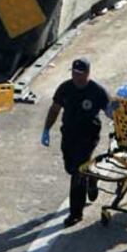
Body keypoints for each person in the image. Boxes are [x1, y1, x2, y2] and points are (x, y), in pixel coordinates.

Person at [41, 58, 110, 228]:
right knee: (70, 168)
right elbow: (55, 109)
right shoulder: (65, 88)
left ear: (87, 73)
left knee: (77, 173)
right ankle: (92, 177)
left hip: (88, 136)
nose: (76, 77)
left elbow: (110, 111)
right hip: (69, 135)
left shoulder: (97, 91)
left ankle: (75, 213)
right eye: (74, 73)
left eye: (80, 74)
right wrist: (46, 129)